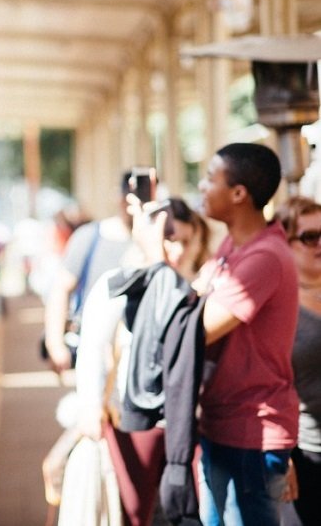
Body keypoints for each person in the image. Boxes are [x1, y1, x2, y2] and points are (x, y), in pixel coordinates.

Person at [73, 197, 210, 526]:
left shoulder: (200, 286)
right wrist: (91, 406)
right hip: (132, 418)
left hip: (191, 419)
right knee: (135, 512)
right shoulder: (120, 281)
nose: (176, 251)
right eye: (169, 239)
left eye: (185, 242)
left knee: (190, 511)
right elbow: (92, 346)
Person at [194, 143, 298, 526]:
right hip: (222, 421)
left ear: (239, 194)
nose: (202, 187)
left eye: (210, 178)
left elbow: (198, 328)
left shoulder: (264, 257)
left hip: (252, 431)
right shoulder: (232, 245)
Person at [44, 172, 146, 373]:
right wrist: (55, 344)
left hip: (140, 352)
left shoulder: (160, 241)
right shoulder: (89, 237)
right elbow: (60, 289)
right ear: (119, 196)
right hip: (95, 350)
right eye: (130, 196)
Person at [275, 196, 321, 525]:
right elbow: (268, 382)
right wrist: (282, 454)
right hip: (308, 453)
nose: (320, 244)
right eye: (309, 237)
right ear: (286, 242)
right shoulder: (279, 304)